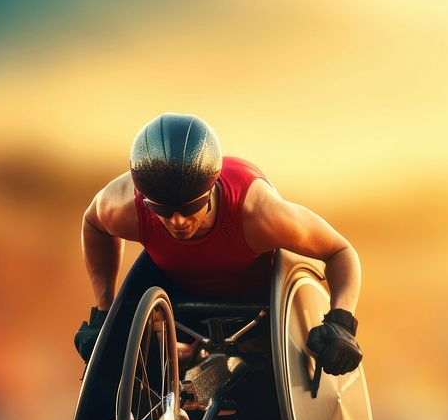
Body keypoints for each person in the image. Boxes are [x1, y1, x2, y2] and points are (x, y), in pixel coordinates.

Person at [75, 112, 362, 379]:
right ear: (144, 198)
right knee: (114, 351)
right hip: (177, 297)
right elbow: (93, 224)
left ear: (211, 188)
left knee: (258, 364)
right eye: (162, 210)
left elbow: (339, 251)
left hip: (259, 309)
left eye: (190, 207)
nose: (177, 221)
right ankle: (183, 355)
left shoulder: (260, 213)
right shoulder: (123, 206)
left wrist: (342, 321)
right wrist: (104, 312)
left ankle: (226, 355)